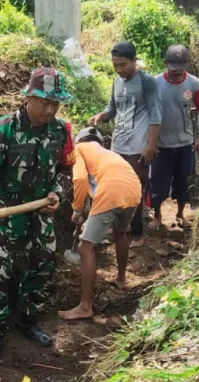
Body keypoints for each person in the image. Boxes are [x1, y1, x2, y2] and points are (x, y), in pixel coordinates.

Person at [0, 67, 75, 362]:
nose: (50, 109)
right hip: (4, 213)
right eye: (44, 102)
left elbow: (65, 172)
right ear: (29, 97)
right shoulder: (2, 130)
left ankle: (28, 321)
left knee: (42, 267)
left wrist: (57, 193)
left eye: (56, 103)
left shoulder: (60, 131)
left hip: (39, 213)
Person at [59, 127, 142, 321]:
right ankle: (121, 279)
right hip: (133, 189)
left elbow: (79, 179)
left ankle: (85, 307)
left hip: (111, 191)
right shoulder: (108, 153)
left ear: (79, 141)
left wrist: (77, 210)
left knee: (85, 247)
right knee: (120, 234)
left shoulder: (80, 149)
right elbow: (94, 187)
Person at [88, 41, 161, 248]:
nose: (119, 69)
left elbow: (156, 115)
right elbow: (112, 109)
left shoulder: (147, 82)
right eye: (115, 65)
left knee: (134, 189)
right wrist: (100, 116)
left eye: (123, 65)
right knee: (114, 187)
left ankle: (137, 233)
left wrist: (150, 145)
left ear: (134, 61)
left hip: (138, 148)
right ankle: (119, 227)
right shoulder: (117, 82)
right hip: (118, 145)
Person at [150, 45, 199, 231]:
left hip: (185, 143)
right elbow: (146, 113)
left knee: (183, 181)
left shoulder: (194, 84)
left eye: (181, 65)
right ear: (165, 63)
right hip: (161, 144)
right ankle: (158, 215)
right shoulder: (155, 84)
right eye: (173, 65)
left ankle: (180, 214)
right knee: (158, 182)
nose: (177, 69)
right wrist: (149, 142)